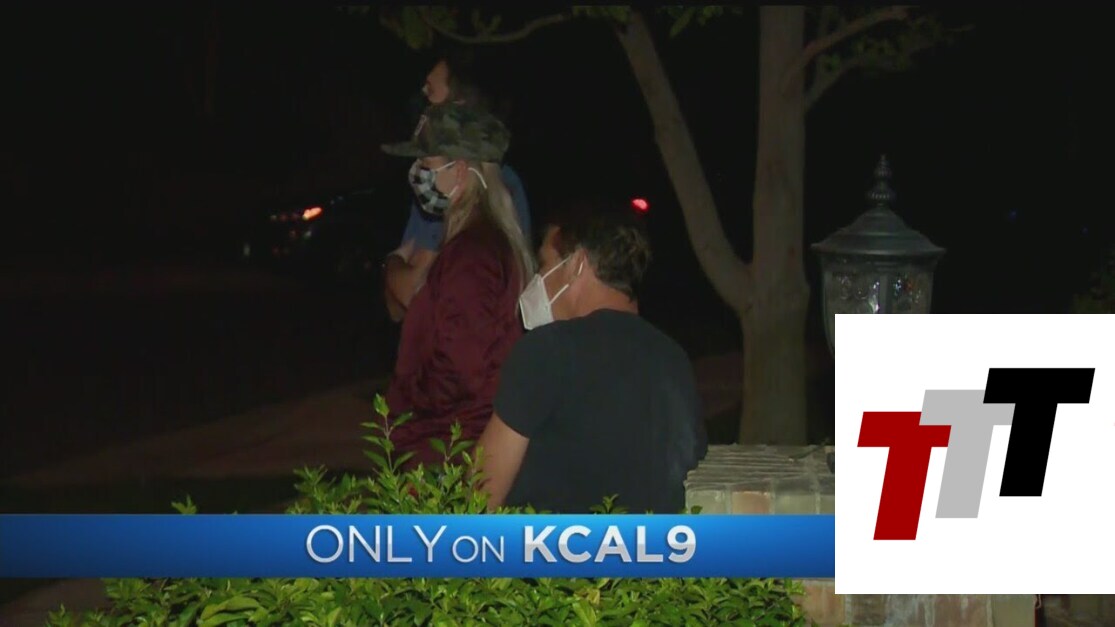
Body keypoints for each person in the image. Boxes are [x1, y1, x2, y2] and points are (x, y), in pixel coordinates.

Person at [476, 199, 708, 513]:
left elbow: (479, 498)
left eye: (543, 264)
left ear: (577, 263)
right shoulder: (673, 359)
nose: (537, 280)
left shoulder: (546, 351)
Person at [379, 102, 536, 470]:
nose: (417, 174)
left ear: (461, 171)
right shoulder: (480, 245)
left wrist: (407, 399)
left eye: (427, 164)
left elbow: (460, 369)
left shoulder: (473, 255)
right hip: (454, 443)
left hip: (448, 451)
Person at [384, 52, 532, 322]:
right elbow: (396, 306)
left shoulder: (453, 193)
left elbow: (408, 297)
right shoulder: (480, 188)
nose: (423, 94)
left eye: (431, 89)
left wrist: (392, 262)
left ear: (458, 108)